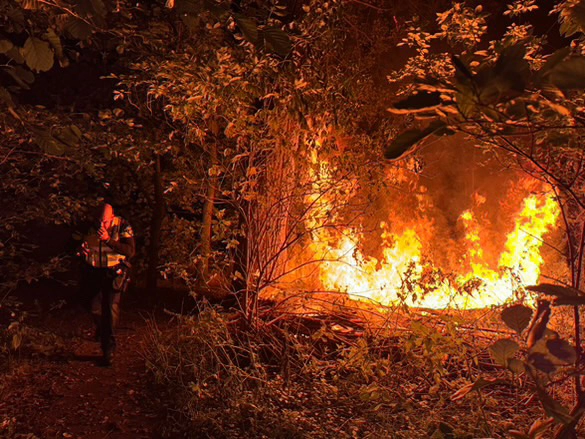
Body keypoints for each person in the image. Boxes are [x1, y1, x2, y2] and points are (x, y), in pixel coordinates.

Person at [79, 203, 135, 366]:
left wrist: (108, 240)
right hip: (94, 271)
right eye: (100, 221)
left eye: (105, 222)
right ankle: (102, 329)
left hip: (114, 272)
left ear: (112, 218)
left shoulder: (123, 226)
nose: (102, 225)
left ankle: (108, 351)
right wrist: (80, 251)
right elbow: (75, 243)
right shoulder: (90, 227)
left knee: (110, 310)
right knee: (91, 305)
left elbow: (130, 251)